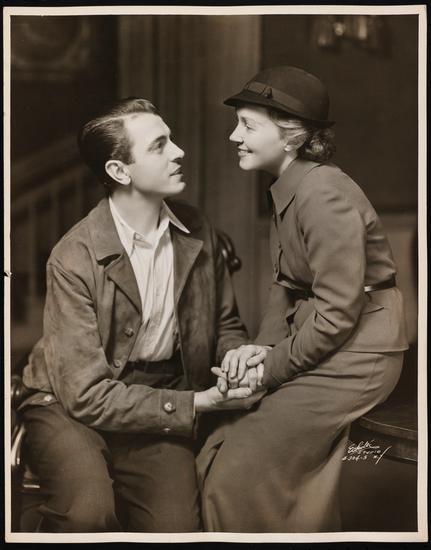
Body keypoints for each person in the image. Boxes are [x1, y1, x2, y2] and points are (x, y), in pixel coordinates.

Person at [18, 98, 266, 533]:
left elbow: (225, 323)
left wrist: (234, 358)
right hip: (68, 405)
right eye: (159, 145)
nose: (179, 152)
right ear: (119, 171)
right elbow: (85, 395)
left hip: (157, 397)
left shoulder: (198, 229)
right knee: (88, 510)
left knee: (176, 528)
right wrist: (200, 402)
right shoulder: (73, 256)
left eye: (172, 139)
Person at [197, 66, 409, 532]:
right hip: (324, 341)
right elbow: (287, 286)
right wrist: (260, 347)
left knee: (238, 467)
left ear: (291, 136)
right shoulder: (290, 186)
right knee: (222, 439)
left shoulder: (323, 193)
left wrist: (268, 370)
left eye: (248, 126)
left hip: (359, 354)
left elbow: (337, 316)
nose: (234, 136)